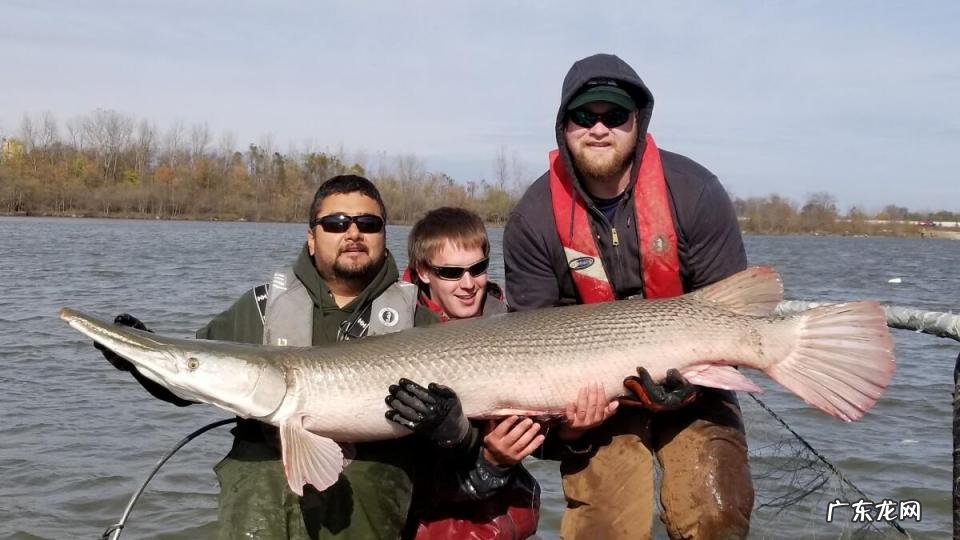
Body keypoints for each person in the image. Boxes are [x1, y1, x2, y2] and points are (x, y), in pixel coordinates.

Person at [98, 174, 438, 539]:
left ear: (384, 235)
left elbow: (456, 440)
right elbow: (191, 387)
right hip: (261, 502)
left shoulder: (419, 318)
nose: (353, 233)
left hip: (368, 506)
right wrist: (140, 364)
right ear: (312, 238)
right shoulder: (261, 308)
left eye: (368, 224)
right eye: (336, 223)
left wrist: (450, 428)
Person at [503, 53, 754, 539]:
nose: (599, 129)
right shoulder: (532, 219)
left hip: (693, 387)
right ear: (564, 126)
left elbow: (733, 312)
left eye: (615, 116)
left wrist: (692, 384)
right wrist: (570, 421)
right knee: (604, 526)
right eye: (584, 117)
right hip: (598, 403)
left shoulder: (696, 192)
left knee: (716, 511)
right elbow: (527, 342)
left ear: (638, 122)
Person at [392, 206, 541, 539]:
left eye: (478, 268)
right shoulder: (395, 331)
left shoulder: (514, 323)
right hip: (427, 521)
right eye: (451, 273)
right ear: (423, 272)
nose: (468, 284)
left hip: (503, 520)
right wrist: (487, 461)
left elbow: (548, 445)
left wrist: (574, 430)